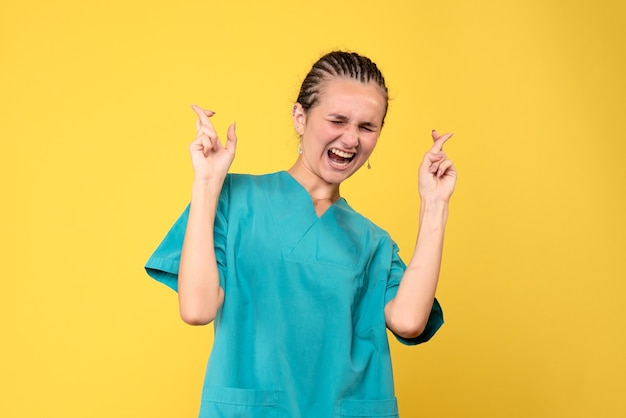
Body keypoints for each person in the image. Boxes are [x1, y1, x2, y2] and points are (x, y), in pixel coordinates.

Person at [145, 51, 456, 417]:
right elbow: (196, 309)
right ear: (300, 116)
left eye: (367, 127)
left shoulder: (374, 242)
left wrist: (434, 204)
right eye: (337, 120)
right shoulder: (233, 201)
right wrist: (207, 183)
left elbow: (408, 321)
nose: (351, 140)